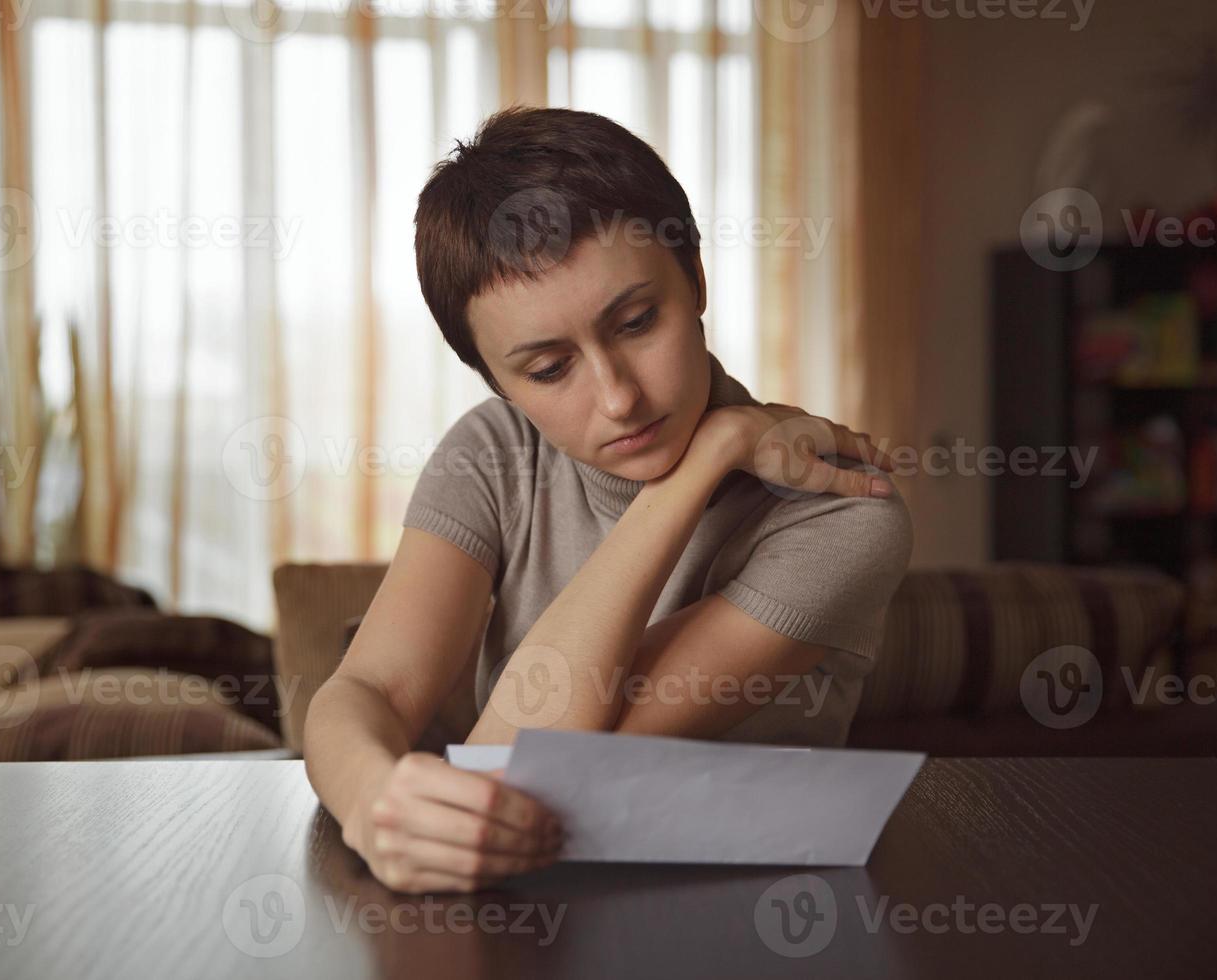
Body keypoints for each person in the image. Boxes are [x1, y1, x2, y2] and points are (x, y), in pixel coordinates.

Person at [303, 106, 913, 895]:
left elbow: (522, 765)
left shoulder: (843, 514)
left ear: (695, 280)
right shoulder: (495, 450)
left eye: (635, 322)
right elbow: (368, 691)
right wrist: (370, 800)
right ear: (500, 386)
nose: (619, 398)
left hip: (752, 917)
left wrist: (705, 462)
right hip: (515, 913)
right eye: (550, 370)